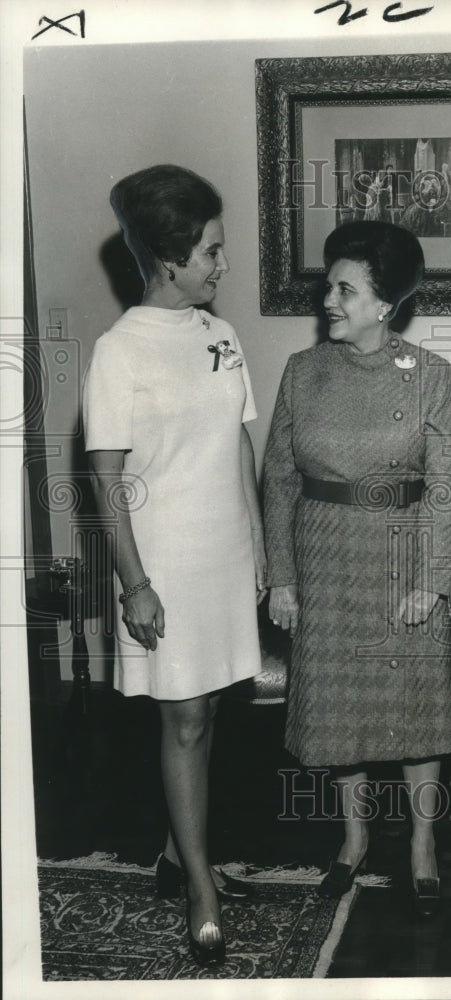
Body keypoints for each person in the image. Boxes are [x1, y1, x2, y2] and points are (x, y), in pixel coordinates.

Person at [83, 164, 267, 966]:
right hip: (162, 563)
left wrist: (263, 545)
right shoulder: (118, 351)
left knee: (211, 711)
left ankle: (175, 851)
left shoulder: (220, 336)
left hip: (225, 553)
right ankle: (200, 887)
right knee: (184, 720)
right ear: (169, 257)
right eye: (213, 252)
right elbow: (106, 480)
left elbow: (239, 441)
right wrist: (135, 584)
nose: (223, 266)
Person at [263, 220, 451, 918]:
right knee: (339, 711)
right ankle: (353, 839)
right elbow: (280, 480)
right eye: (329, 287)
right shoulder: (302, 372)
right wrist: (281, 575)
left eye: (345, 290)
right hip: (323, 557)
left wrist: (431, 581)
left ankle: (423, 843)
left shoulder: (431, 376)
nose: (329, 301)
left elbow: (445, 487)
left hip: (403, 558)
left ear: (386, 303)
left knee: (416, 711)